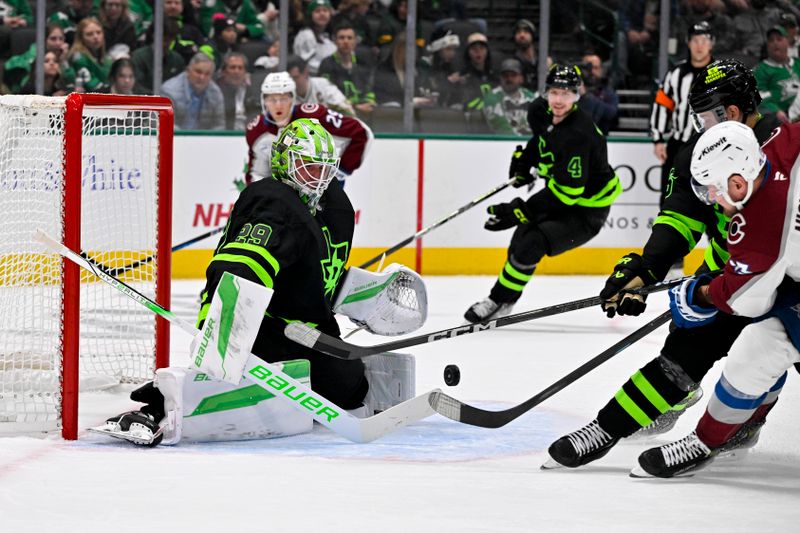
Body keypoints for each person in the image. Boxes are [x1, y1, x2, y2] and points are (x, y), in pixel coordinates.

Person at [542, 59, 782, 471]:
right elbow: (680, 220)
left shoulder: (786, 147)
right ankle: (607, 426)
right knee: (682, 356)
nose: (700, 125)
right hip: (729, 276)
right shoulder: (700, 153)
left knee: (766, 350)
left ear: (733, 112)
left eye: (707, 115)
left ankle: (747, 420)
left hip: (787, 281)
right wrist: (644, 268)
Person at [635, 119, 800, 478]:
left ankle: (710, 438)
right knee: (758, 347)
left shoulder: (762, 226)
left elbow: (746, 299)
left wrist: (698, 292)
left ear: (738, 183)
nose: (713, 201)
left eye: (714, 192)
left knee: (757, 347)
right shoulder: (781, 144)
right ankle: (706, 440)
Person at [463, 65, 621, 323]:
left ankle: (499, 299)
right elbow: (540, 140)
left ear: (577, 96)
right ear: (546, 92)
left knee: (532, 241)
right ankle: (502, 300)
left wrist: (520, 209)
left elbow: (567, 193)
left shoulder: (579, 134)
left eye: (567, 94)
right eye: (555, 92)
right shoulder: (539, 109)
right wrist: (525, 162)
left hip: (587, 210)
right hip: (566, 195)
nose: (559, 100)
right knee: (521, 237)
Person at [245, 71, 372, 185]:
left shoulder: (314, 116)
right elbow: (255, 173)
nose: (278, 105)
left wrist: (339, 173)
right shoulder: (257, 129)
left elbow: (361, 132)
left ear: (292, 98)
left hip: (319, 193)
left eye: (284, 99)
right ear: (264, 101)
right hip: (282, 198)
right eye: (272, 99)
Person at [650, 21, 715, 210]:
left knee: (712, 197)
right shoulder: (676, 74)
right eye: (695, 40)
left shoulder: (720, 73)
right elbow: (663, 104)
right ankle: (667, 236)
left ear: (711, 44)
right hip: (678, 144)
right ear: (688, 43)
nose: (700, 45)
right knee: (669, 194)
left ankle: (717, 237)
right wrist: (658, 139)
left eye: (704, 40)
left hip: (711, 144)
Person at [318, 21, 377, 115]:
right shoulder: (327, 64)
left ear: (355, 41)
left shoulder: (363, 62)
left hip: (364, 114)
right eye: (341, 38)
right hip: (336, 115)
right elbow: (326, 95)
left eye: (350, 38)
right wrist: (354, 107)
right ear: (334, 40)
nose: (346, 41)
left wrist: (369, 103)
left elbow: (369, 89)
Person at [160, 52, 225, 130]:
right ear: (188, 70)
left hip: (204, 140)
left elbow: (219, 125)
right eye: (198, 72)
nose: (202, 77)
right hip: (175, 139)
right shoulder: (169, 90)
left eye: (207, 74)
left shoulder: (215, 93)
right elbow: (163, 124)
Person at [754, 24, 800, 123]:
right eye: (771, 40)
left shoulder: (797, 63)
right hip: (780, 116)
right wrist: (776, 111)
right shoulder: (761, 69)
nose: (775, 43)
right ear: (767, 46)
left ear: (787, 42)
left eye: (779, 39)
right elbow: (760, 95)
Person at [288, 54, 356, 117]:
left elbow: (347, 111)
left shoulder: (323, 86)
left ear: (306, 73)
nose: (291, 82)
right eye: (288, 79)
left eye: (295, 78)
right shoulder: (285, 95)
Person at [482, 58, 536, 136]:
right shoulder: (491, 98)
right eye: (505, 76)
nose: (509, 79)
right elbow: (500, 127)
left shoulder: (531, 97)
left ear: (521, 78)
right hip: (502, 143)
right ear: (500, 78)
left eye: (513, 75)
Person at [67, 17, 114, 92]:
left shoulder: (107, 59)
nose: (95, 37)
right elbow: (92, 86)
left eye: (98, 32)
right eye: (89, 34)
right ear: (81, 38)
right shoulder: (78, 58)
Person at [216, 52, 261, 130]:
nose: (237, 72)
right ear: (223, 72)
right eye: (232, 67)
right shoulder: (216, 91)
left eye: (240, 68)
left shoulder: (252, 90)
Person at [577, 53, 619, 135]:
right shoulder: (570, 90)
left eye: (596, 68)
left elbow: (611, 114)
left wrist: (585, 96)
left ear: (601, 70)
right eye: (588, 68)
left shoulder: (607, 92)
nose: (592, 71)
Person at [292, 0, 336, 74]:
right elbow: (305, 63)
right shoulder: (306, 35)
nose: (322, 14)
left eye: (325, 11)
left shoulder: (326, 38)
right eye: (317, 11)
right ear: (310, 15)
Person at [511, 19, 538, 92]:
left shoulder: (543, 59)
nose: (522, 35)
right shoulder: (512, 62)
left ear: (532, 35)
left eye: (526, 32)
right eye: (518, 32)